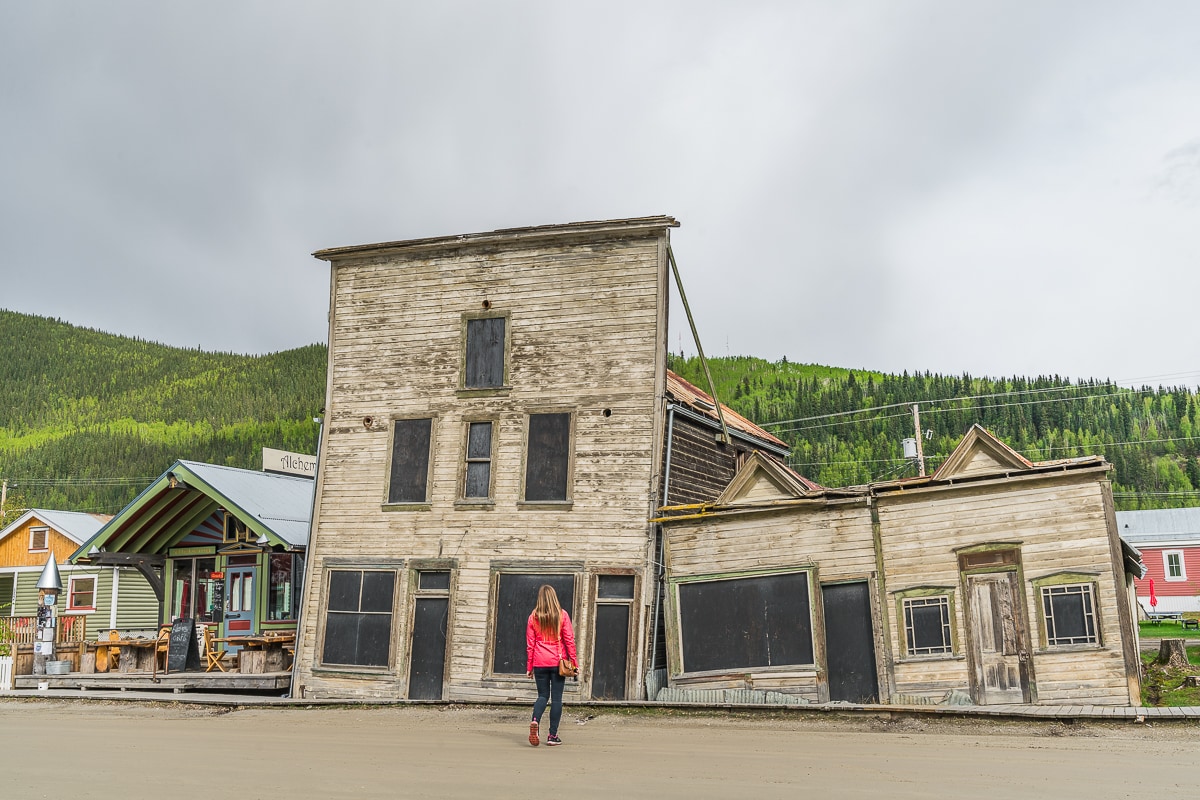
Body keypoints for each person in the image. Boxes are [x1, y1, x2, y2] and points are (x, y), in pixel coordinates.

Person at [525, 584, 577, 747]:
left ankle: (535, 721)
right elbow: (569, 640)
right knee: (556, 699)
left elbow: (530, 644)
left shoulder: (533, 616)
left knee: (542, 696)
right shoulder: (562, 615)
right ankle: (552, 736)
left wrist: (529, 666)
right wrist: (574, 662)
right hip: (558, 662)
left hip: (539, 662)